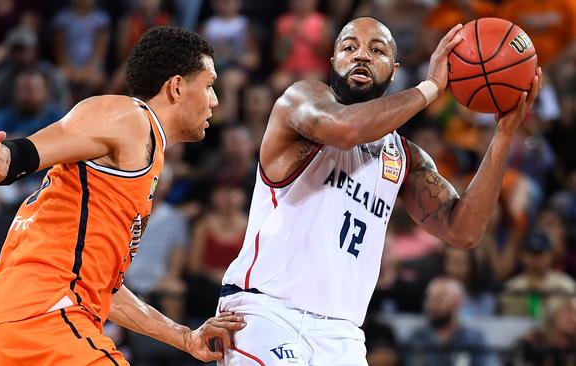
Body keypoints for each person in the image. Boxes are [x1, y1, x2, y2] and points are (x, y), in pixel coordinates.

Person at [217, 16, 541, 365]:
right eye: (349, 47)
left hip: (342, 333)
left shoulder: (404, 157)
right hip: (266, 312)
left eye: (377, 50)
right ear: (332, 61)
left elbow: (464, 231)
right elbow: (346, 128)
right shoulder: (300, 101)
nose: (361, 56)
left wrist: (503, 136)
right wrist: (430, 86)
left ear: (393, 69)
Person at [0, 26, 245, 365]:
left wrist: (185, 338)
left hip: (20, 320)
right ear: (176, 87)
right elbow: (22, 156)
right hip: (44, 316)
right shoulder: (128, 118)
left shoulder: (140, 162)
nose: (215, 100)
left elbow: (106, 292)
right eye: (208, 85)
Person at [405, 277, 492, 366]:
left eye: (439, 300)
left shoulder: (474, 339)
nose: (433, 305)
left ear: (458, 302)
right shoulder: (417, 338)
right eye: (430, 299)